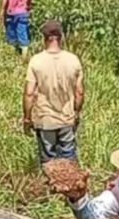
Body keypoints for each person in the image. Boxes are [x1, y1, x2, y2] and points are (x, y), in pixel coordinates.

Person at [23, 20, 84, 164]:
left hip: (45, 119)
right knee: (69, 157)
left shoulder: (36, 61)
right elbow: (79, 92)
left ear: (44, 38)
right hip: (67, 118)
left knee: (48, 160)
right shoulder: (73, 60)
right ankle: (72, 184)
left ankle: (50, 185)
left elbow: (29, 94)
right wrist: (76, 112)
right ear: (61, 37)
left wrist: (27, 118)